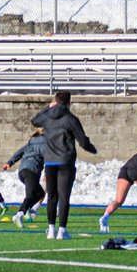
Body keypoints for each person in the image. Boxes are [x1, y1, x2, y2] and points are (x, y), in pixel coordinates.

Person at [31, 91, 98, 241]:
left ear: (55, 101)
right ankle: (62, 231)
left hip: (49, 161)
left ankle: (50, 230)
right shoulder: (70, 119)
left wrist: (48, 107)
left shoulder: (47, 116)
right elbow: (82, 140)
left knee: (52, 197)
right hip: (66, 161)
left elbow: (34, 121)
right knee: (64, 197)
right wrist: (92, 149)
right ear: (69, 103)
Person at [3, 129, 46, 228]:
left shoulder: (31, 142)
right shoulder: (45, 144)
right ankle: (19, 215)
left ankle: (26, 210)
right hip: (31, 171)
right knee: (30, 195)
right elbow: (49, 158)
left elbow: (19, 152)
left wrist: (9, 163)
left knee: (40, 193)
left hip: (22, 171)